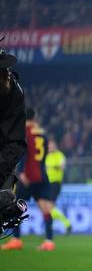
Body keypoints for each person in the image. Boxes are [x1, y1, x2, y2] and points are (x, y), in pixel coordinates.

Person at [2, 108, 56, 251]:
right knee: (46, 208)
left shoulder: (25, 132)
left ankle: (16, 240)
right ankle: (49, 241)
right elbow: (43, 157)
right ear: (35, 117)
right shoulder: (42, 134)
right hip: (42, 175)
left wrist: (21, 172)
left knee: (15, 206)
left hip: (28, 175)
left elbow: (23, 151)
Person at [0, 43, 26, 190]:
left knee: (5, 200)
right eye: (2, 70)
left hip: (4, 160)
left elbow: (15, 141)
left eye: (7, 69)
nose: (7, 73)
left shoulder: (15, 92)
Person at [45, 138, 72, 234]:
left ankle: (66, 223)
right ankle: (60, 225)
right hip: (47, 184)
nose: (50, 147)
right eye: (49, 146)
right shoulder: (46, 156)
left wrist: (52, 167)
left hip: (55, 183)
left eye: (52, 145)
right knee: (48, 208)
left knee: (49, 207)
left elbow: (62, 167)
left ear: (55, 146)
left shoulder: (60, 155)